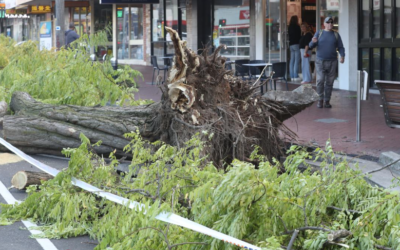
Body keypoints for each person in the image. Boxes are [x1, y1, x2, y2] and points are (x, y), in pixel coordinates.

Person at [309, 16, 345, 108]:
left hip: (332, 61)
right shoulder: (319, 33)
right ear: (324, 24)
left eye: (331, 23)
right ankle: (320, 99)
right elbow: (311, 45)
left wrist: (342, 56)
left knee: (330, 82)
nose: (330, 25)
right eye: (328, 23)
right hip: (320, 61)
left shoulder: (336, 35)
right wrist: (313, 42)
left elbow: (340, 47)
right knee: (320, 80)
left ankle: (327, 100)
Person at [288, 15, 301, 81]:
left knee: (292, 60)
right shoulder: (297, 27)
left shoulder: (289, 27)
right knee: (296, 60)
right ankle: (295, 75)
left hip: (291, 44)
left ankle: (291, 75)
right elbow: (299, 36)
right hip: (296, 44)